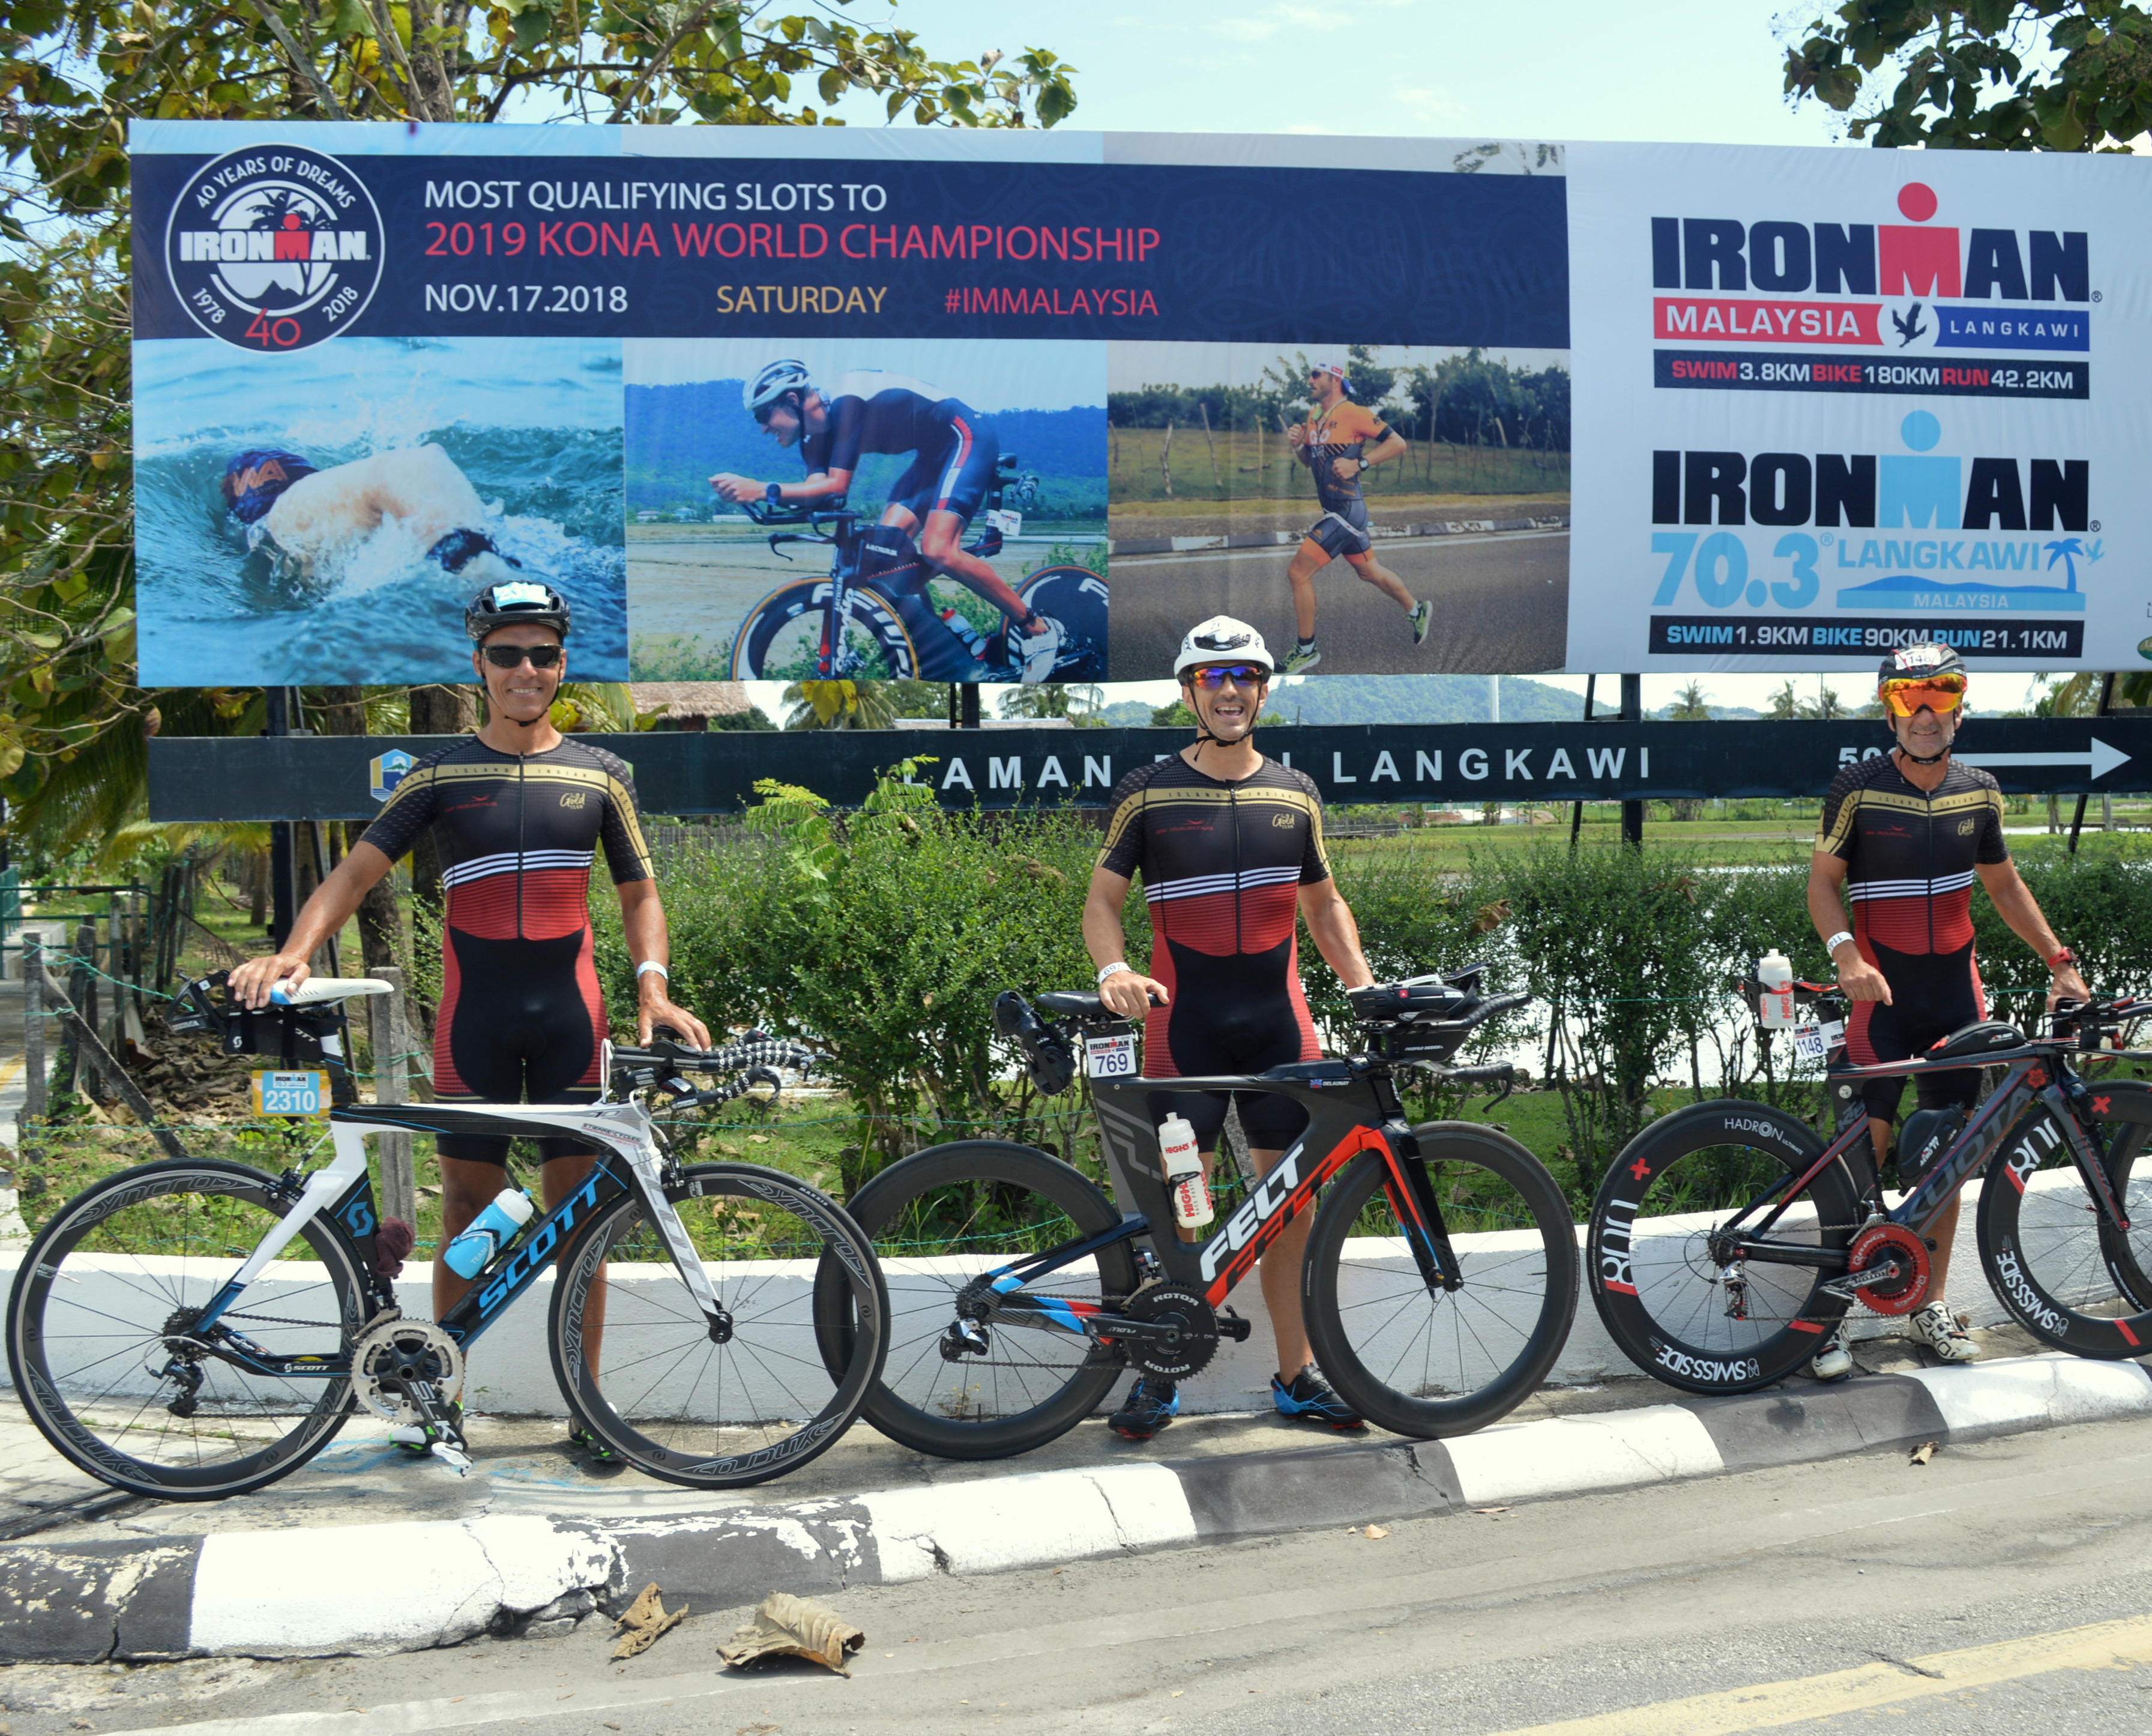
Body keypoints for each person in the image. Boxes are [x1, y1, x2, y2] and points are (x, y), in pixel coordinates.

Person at [228, 579, 713, 1460]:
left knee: (580, 1221)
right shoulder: (442, 774)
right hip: (473, 1021)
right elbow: (354, 875)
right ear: (479, 665)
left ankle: (590, 1411)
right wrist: (295, 951)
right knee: (465, 1210)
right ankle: (435, 1404)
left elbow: (639, 890)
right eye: (506, 654)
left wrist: (652, 987)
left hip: (573, 1017)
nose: (525, 670)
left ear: (562, 666)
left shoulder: (600, 775)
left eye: (542, 655)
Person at [1083, 615, 1384, 1439]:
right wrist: (1115, 972)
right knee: (1180, 1205)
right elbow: (1103, 904)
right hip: (1184, 1032)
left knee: (1291, 1206)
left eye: (1244, 676)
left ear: (1261, 689)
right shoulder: (1148, 789)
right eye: (1212, 679)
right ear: (1188, 691)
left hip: (1281, 1027)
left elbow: (1324, 908)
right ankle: (1160, 1374)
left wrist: (1364, 990)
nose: (1228, 691)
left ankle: (1296, 1376)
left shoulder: (1295, 792)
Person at [1806, 642, 2092, 1376]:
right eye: (1909, 697)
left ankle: (1925, 1304)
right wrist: (1847, 957)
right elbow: (1821, 885)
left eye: (1939, 695)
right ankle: (1830, 1319)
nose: (1925, 712)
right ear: (1889, 709)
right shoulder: (1857, 789)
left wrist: (2060, 961)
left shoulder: (1980, 790)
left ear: (1959, 707)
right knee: (1857, 1158)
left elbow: (2005, 888)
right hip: (1882, 997)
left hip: (1955, 996)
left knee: (1949, 1160)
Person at [709, 359, 1062, 680]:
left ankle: (1039, 630)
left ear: (791, 400)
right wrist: (762, 495)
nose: (762, 429)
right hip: (931, 458)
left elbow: (836, 484)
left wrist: (760, 489)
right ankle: (958, 642)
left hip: (966, 437)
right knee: (886, 553)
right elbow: (820, 493)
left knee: (939, 549)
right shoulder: (813, 440)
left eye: (762, 416)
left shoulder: (847, 404)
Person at [1279, 359, 1430, 674]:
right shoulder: (1315, 416)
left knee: (1298, 573)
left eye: (1315, 374)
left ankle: (1306, 649)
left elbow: (1397, 443)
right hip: (1337, 512)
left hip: (1346, 512)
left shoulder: (1354, 413)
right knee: (1370, 573)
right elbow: (1309, 461)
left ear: (1335, 378)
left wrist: (1360, 464)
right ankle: (1417, 610)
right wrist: (1297, 446)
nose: (1309, 379)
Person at [221, 444, 519, 577]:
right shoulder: (299, 512)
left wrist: (470, 564)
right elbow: (412, 466)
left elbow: (414, 464)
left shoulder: (283, 518)